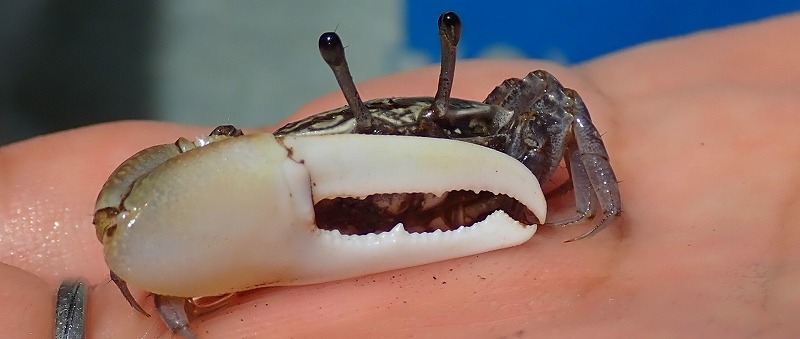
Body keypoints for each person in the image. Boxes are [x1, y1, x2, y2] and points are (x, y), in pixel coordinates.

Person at [2, 13, 799, 338]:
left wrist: (600, 205)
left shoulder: (508, 117)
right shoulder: (274, 158)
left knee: (554, 91)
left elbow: (559, 105)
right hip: (310, 178)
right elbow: (128, 208)